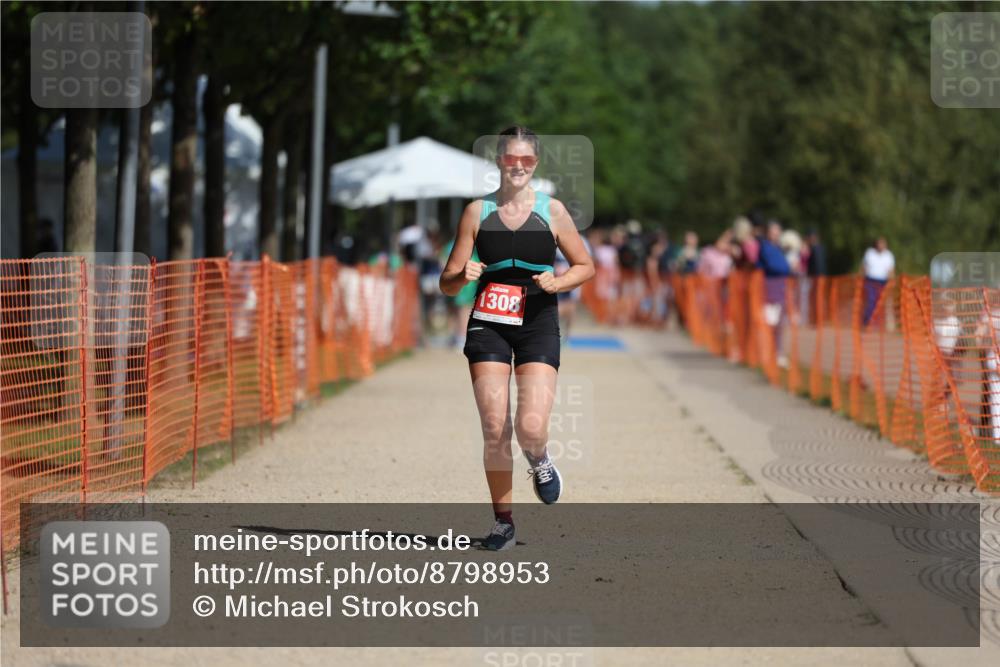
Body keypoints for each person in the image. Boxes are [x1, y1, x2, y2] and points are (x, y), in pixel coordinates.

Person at [439, 126, 594, 551]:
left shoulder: (553, 211)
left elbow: (585, 266)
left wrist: (558, 282)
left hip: (537, 321)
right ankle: (503, 521)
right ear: (499, 161)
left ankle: (539, 459)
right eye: (512, 159)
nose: (519, 166)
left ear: (535, 163)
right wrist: (462, 275)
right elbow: (446, 283)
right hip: (488, 322)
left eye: (527, 160)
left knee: (530, 427)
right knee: (495, 427)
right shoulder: (476, 212)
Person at [861, 236, 895, 326]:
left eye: (883, 244)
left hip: (883, 282)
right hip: (870, 280)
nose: (881, 245)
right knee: (871, 300)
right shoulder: (870, 253)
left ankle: (876, 323)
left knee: (879, 302)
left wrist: (891, 282)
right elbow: (864, 267)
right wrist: (862, 278)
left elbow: (891, 270)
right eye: (880, 243)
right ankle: (867, 321)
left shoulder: (888, 255)